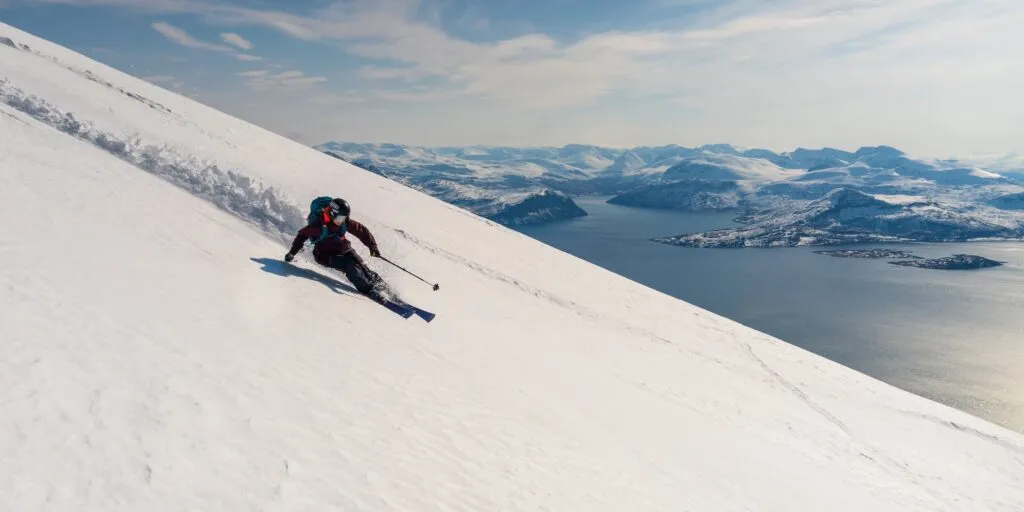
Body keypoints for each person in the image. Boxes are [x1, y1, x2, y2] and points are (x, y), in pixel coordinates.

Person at [284, 197, 386, 298]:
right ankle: (368, 289)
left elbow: (362, 231)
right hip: (325, 256)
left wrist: (373, 248)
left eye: (344, 218)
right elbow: (302, 235)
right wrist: (292, 253)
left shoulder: (344, 222)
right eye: (340, 218)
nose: (342, 221)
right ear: (332, 214)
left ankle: (383, 288)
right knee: (351, 266)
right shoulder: (319, 226)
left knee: (363, 267)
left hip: (344, 248)